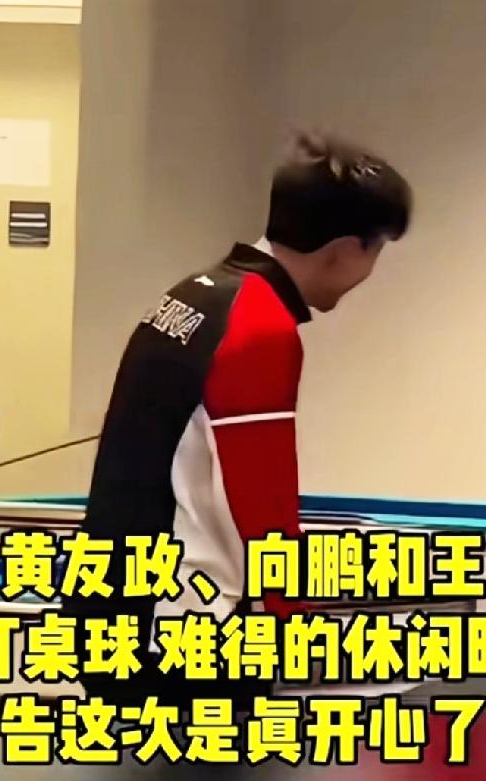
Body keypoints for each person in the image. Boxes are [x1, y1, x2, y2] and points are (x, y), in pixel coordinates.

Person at [64, 131, 412, 709]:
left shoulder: (196, 293)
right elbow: (260, 500)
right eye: (376, 253)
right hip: (183, 627)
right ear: (345, 249)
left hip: (111, 599)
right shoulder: (261, 325)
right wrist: (294, 620)